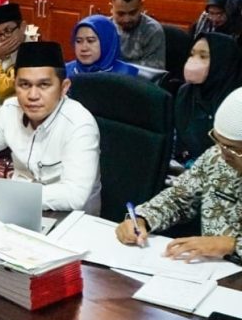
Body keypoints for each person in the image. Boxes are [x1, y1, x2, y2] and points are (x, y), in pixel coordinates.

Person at [0, 41, 102, 214]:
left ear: (64, 88)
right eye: (24, 85)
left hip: (69, 219)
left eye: (44, 85)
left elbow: (74, 196)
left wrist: (4, 192)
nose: (32, 95)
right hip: (15, 206)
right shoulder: (10, 110)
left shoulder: (79, 124)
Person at [116, 87, 242, 263]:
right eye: (218, 141)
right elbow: (178, 198)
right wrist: (142, 219)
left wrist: (232, 245)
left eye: (234, 148)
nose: (224, 153)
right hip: (211, 273)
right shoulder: (216, 158)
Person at [174, 33, 242, 166]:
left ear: (222, 61)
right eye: (192, 54)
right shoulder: (185, 92)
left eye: (203, 56)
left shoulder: (236, 102)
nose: (193, 60)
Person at [109, 0, 166, 69]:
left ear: (141, 6)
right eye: (120, 14)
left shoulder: (153, 30)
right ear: (111, 7)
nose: (126, 19)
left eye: (132, 13)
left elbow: (153, 71)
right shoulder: (103, 28)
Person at [66, 15, 140, 78]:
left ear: (106, 43)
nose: (84, 48)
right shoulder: (64, 72)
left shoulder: (126, 75)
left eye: (90, 41)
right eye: (78, 41)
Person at [0, 2, 29, 104]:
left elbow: (0, 91)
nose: (3, 38)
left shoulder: (31, 52)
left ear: (22, 27)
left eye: (8, 30)